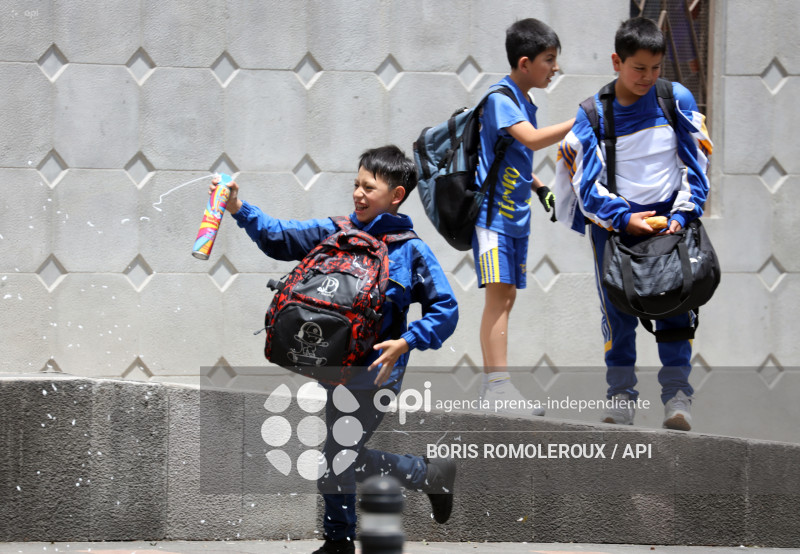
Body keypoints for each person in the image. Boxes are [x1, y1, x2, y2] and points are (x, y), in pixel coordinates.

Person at [213, 145, 459, 554]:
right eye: (356, 184)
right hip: (333, 369)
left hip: (376, 373)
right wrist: (238, 207)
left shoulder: (411, 250)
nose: (358, 193)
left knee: (337, 455)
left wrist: (407, 341)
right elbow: (280, 236)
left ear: (396, 195)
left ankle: (341, 540)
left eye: (369, 187)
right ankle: (426, 475)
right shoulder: (336, 232)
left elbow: (446, 309)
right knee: (342, 455)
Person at [554, 17, 713, 430]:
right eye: (639, 68)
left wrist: (680, 214)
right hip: (615, 230)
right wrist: (623, 218)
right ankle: (620, 396)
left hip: (670, 225)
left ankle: (677, 398)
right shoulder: (592, 113)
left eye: (656, 68)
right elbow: (583, 184)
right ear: (616, 62)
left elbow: (698, 161)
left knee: (677, 307)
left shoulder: (676, 99)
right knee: (618, 312)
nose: (648, 77)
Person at [474, 18, 574, 414]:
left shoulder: (522, 101)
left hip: (514, 218)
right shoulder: (500, 98)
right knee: (498, 299)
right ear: (525, 62)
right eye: (549, 60)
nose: (555, 68)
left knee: (507, 297)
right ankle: (498, 389)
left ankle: (494, 389)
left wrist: (539, 186)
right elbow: (531, 141)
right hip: (492, 219)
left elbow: (511, 157)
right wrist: (583, 120)